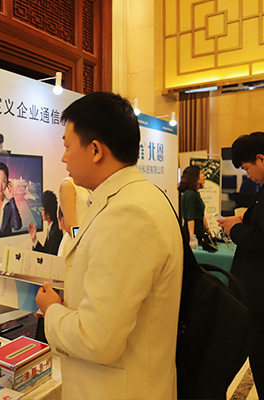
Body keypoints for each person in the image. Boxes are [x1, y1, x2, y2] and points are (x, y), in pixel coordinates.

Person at [35, 92, 183, 399]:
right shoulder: (127, 199)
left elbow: (96, 339)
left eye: (67, 146)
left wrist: (52, 311)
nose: (63, 157)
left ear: (95, 150)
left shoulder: (129, 213)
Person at [218, 131, 264, 398]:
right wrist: (243, 220)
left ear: (261, 158)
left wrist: (234, 229)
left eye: (247, 168)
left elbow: (261, 240)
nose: (248, 175)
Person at [56, 177, 90, 256]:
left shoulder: (90, 184)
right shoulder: (68, 184)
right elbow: (70, 227)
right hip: (77, 245)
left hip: (90, 242)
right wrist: (86, 242)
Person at [178, 164, 210, 242]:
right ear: (193, 177)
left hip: (198, 230)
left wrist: (208, 229)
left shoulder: (195, 193)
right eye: (200, 174)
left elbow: (201, 214)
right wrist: (192, 237)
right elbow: (190, 217)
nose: (203, 176)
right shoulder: (190, 194)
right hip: (192, 232)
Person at [29, 190, 63, 255]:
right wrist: (34, 239)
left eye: (42, 210)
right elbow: (45, 251)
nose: (41, 212)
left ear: (48, 213)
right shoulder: (51, 227)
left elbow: (49, 256)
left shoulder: (56, 231)